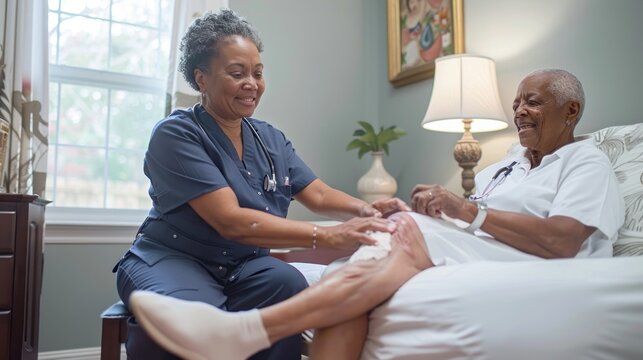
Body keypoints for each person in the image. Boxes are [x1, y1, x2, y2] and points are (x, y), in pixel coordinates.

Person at [125, 69, 625, 360]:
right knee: (371, 253)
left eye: (531, 103)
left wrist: (463, 211)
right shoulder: (506, 166)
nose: (518, 112)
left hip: (529, 258)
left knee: (395, 231)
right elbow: (315, 201)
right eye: (516, 103)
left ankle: (247, 331)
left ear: (572, 110)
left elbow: (562, 242)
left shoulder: (585, 161)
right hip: (479, 246)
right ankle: (242, 330)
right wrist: (439, 208)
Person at [112, 9, 409, 360]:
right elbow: (230, 219)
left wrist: (367, 208)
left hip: (241, 265)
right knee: (197, 320)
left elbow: (318, 193)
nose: (251, 83)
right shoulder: (176, 134)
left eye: (257, 73)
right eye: (237, 73)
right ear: (201, 78)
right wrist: (327, 235)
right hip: (174, 257)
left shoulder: (270, 138)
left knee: (288, 284)